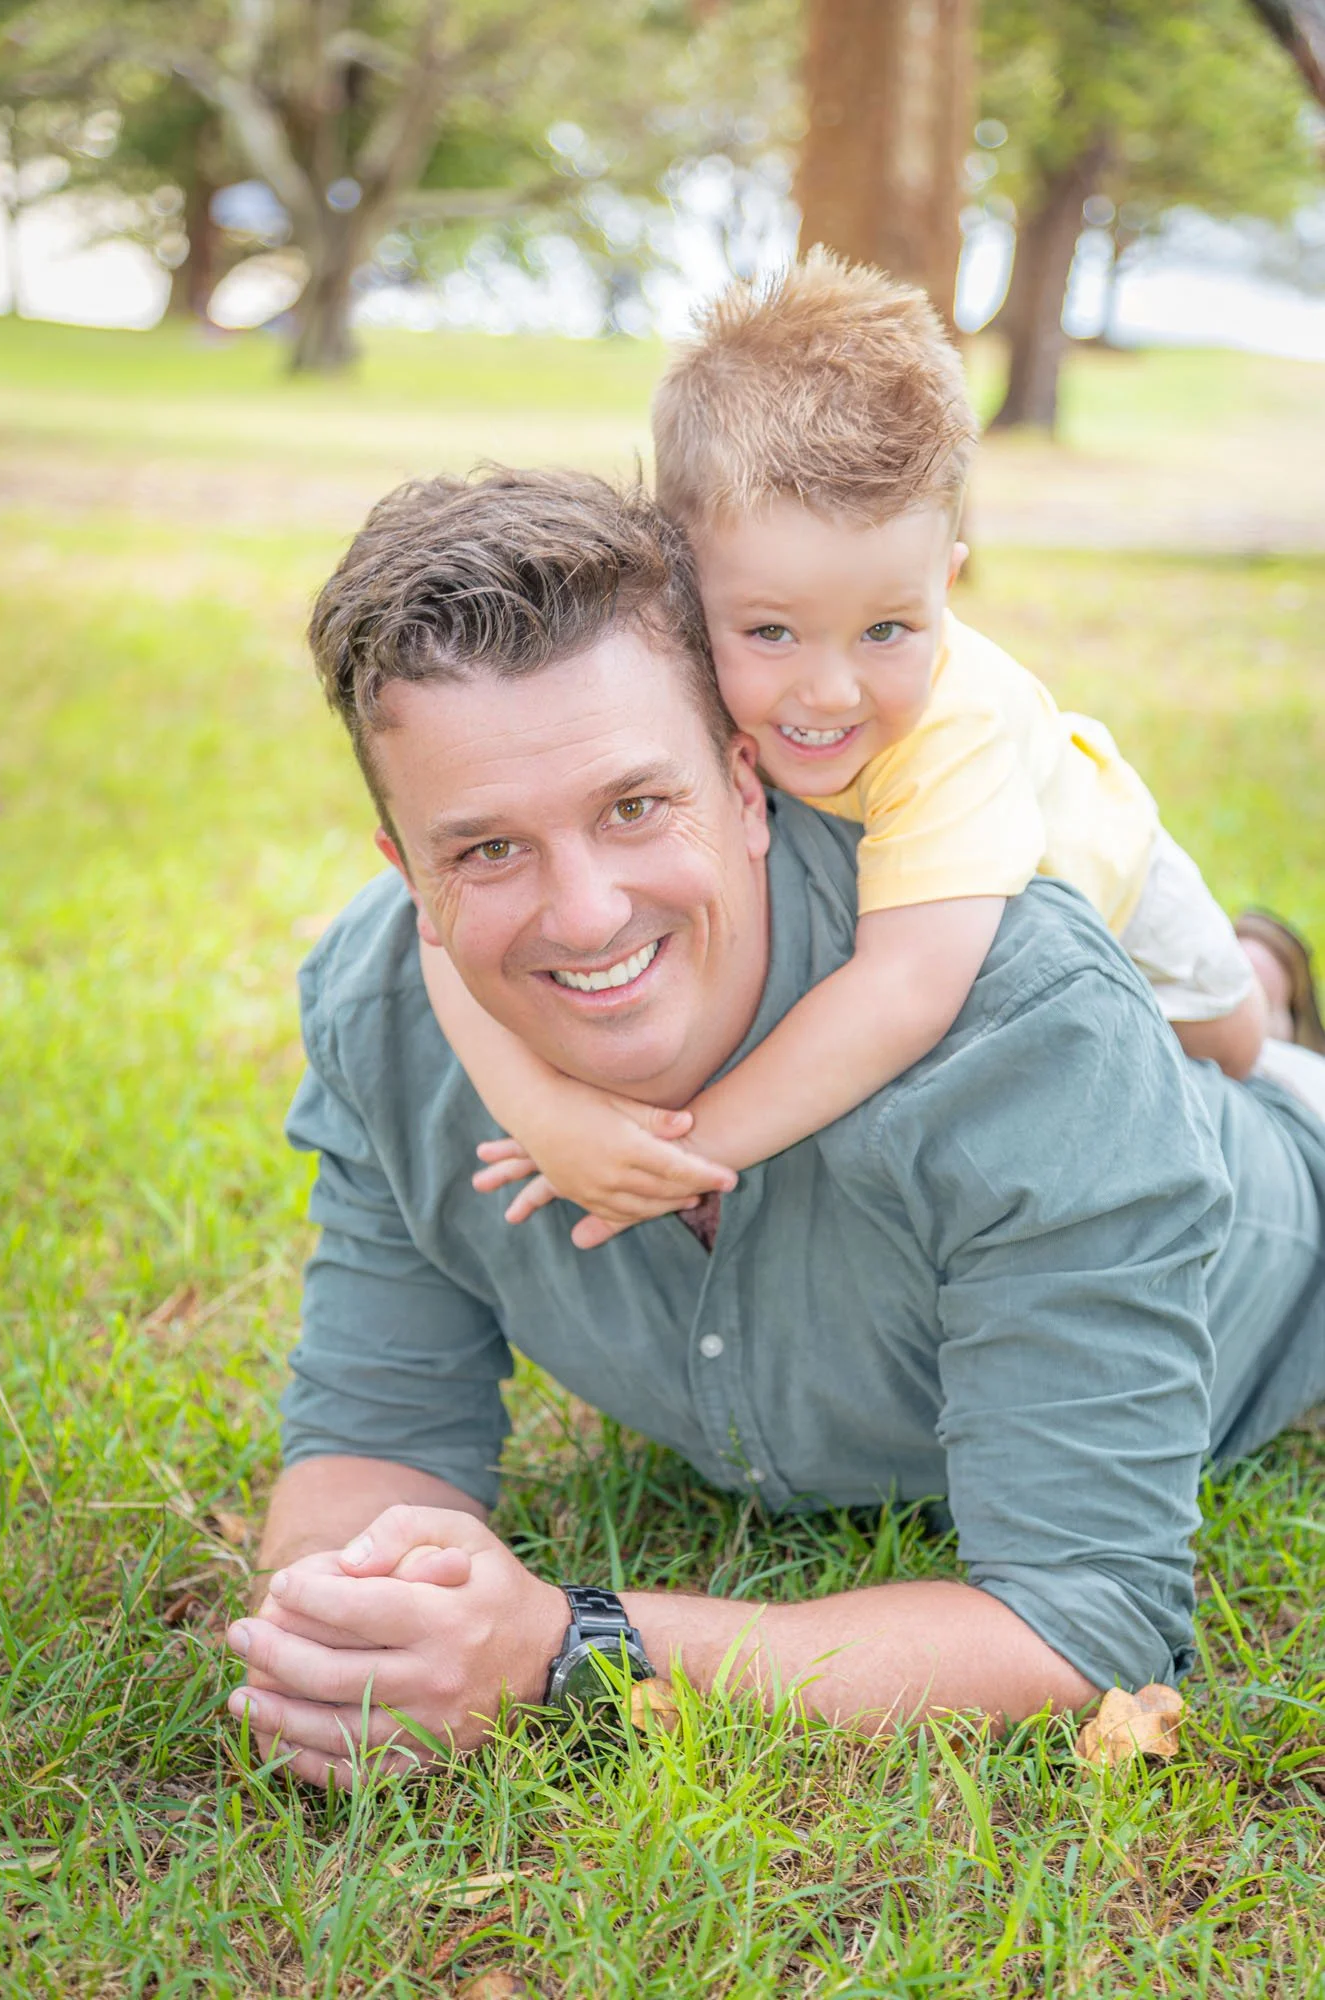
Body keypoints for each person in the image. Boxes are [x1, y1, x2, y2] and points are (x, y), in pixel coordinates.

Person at [223, 469, 1325, 1789]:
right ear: (407, 873)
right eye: (488, 852)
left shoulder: (1026, 1022)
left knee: (1256, 1076)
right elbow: (371, 1442)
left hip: (1281, 1215)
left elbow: (1083, 1629)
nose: (583, 914)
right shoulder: (384, 1009)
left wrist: (562, 1647)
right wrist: (355, 1632)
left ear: (749, 787)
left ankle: (1253, 1002)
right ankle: (1259, 973)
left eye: (637, 807)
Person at [419, 254, 1308, 1251]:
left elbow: (900, 995)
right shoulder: (665, 673)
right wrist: (544, 1114)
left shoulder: (951, 733)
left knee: (1224, 1054)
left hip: (1113, 879)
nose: (830, 690)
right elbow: (434, 926)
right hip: (928, 893)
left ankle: (1265, 985)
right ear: (681, 585)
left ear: (947, 582)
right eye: (770, 633)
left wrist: (676, 1154)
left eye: (887, 629)